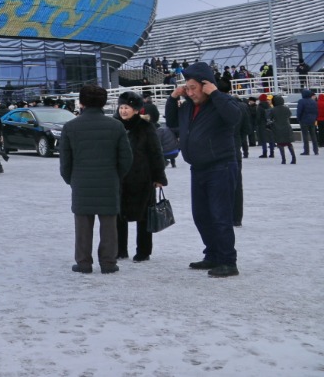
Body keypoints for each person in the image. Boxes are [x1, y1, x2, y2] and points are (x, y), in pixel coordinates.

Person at [165, 62, 244, 278]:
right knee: (201, 215)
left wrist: (216, 94)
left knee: (220, 215)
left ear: (206, 85)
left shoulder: (222, 102)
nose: (189, 92)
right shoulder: (189, 106)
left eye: (193, 88)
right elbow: (172, 122)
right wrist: (173, 98)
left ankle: (228, 261)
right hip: (198, 167)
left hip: (221, 166)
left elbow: (234, 118)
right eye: (187, 88)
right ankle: (213, 254)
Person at [59, 85, 132, 274]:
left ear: (81, 102)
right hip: (109, 180)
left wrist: (71, 179)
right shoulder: (116, 126)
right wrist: (116, 176)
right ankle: (108, 262)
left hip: (81, 181)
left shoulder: (70, 127)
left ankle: (83, 262)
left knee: (83, 224)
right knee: (109, 224)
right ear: (104, 102)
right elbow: (126, 158)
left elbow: (65, 161)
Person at [114, 91, 167, 263]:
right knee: (118, 216)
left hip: (142, 178)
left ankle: (143, 251)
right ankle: (119, 249)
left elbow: (156, 153)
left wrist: (159, 177)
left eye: (127, 108)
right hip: (120, 178)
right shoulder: (114, 126)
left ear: (136, 110)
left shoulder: (146, 127)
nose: (123, 111)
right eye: (121, 107)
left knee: (144, 216)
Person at [269, 95, 296, 164]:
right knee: (289, 144)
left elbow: (270, 118)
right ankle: (293, 158)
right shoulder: (286, 108)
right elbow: (289, 115)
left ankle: (283, 159)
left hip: (277, 128)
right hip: (287, 127)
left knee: (280, 144)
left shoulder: (273, 109)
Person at [298, 90, 319, 155]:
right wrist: (315, 118)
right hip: (312, 120)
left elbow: (299, 111)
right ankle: (316, 150)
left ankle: (306, 151)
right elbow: (316, 111)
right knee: (313, 135)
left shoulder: (301, 101)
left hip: (304, 120)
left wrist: (298, 119)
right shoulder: (313, 102)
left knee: (305, 136)